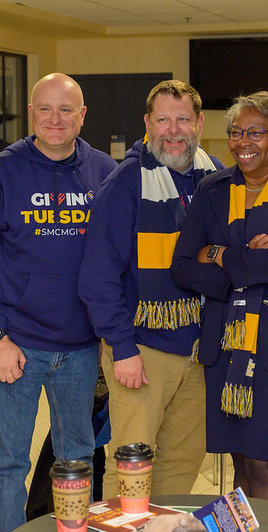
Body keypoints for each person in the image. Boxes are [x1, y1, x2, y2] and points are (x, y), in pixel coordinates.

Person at [0, 72, 117, 532]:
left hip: (82, 348)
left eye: (66, 109)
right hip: (16, 343)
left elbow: (116, 257)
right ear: (31, 114)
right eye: (45, 109)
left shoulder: (105, 172)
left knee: (78, 459)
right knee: (6, 465)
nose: (55, 119)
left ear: (82, 115)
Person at [171, 91, 268, 503]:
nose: (243, 143)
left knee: (267, 464)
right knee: (239, 462)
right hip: (224, 348)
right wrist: (240, 263)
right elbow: (183, 265)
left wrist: (217, 254)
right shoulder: (212, 188)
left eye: (255, 132)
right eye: (236, 133)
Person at [78, 80, 224, 499]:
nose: (173, 131)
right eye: (163, 120)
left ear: (199, 122)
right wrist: (121, 348)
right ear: (147, 123)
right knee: (131, 463)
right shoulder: (125, 183)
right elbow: (97, 277)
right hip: (143, 349)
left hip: (199, 350)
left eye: (182, 120)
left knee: (183, 461)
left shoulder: (213, 175)